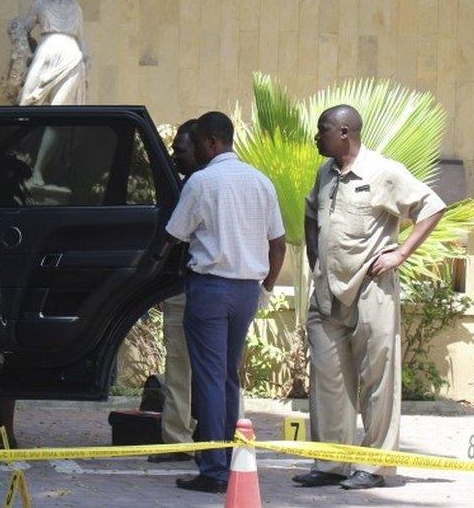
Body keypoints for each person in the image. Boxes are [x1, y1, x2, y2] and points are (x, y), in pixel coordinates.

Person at [292, 105, 446, 490]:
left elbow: (431, 207)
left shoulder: (383, 171)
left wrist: (400, 253)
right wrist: (315, 256)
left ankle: (374, 466)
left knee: (377, 378)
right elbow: (311, 213)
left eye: (322, 130)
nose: (316, 136)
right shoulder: (325, 173)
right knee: (328, 379)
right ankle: (330, 463)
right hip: (327, 293)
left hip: (371, 290)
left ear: (345, 132)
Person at [165, 112, 286, 493]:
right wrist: (265, 287)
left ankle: (214, 468)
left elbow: (174, 235)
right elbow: (278, 243)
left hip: (211, 290)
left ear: (213, 142)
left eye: (199, 141)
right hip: (246, 291)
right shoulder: (260, 181)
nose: (196, 148)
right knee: (229, 377)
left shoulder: (201, 182)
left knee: (209, 378)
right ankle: (234, 461)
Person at [148, 120, 199, 464]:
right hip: (227, 289)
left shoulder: (196, 186)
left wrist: (149, 267)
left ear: (202, 147)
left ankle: (179, 439)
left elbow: (172, 237)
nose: (173, 156)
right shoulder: (247, 181)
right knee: (213, 370)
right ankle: (220, 440)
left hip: (189, 286)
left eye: (179, 150)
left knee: (182, 367)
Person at [17, 0, 87, 106]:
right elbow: (25, 27)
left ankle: (55, 128)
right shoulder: (40, 4)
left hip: (71, 56)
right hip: (46, 54)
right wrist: (16, 29)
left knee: (60, 106)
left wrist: (85, 59)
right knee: (27, 100)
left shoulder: (76, 8)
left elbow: (80, 37)